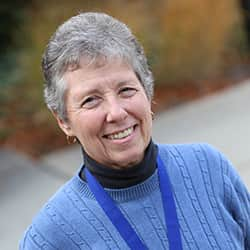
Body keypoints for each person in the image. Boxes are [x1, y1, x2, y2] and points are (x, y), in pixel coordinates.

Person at [19, 12, 249, 250]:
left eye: (126, 90)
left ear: (147, 92)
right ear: (64, 120)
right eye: (91, 100)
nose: (116, 112)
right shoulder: (49, 239)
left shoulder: (209, 170)